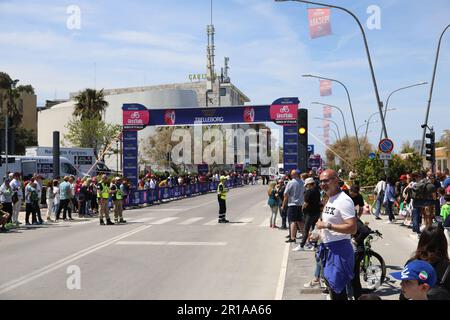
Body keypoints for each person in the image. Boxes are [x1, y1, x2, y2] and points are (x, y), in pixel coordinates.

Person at [315, 169, 357, 300]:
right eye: (321, 181)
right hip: (329, 249)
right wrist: (319, 232)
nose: (322, 184)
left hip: (339, 250)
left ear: (336, 180)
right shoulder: (330, 198)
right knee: (334, 290)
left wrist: (326, 226)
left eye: (326, 180)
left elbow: (352, 228)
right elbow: (328, 221)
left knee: (338, 292)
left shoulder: (344, 200)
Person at [399, 225, 450, 300]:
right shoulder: (447, 267)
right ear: (443, 244)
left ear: (421, 241)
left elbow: (404, 292)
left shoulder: (411, 263)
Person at [294, 177, 321, 251]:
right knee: (314, 229)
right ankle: (314, 245)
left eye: (306, 185)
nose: (306, 187)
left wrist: (302, 209)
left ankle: (301, 246)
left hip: (309, 213)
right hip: (317, 212)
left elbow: (305, 203)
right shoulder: (317, 191)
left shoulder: (308, 192)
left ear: (309, 184)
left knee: (306, 230)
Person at [281, 169, 304, 244]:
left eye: (291, 174)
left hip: (292, 204)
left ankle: (293, 237)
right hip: (300, 204)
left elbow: (286, 195)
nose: (291, 175)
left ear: (294, 175)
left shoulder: (290, 183)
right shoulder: (303, 182)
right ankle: (305, 235)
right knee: (300, 221)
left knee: (292, 221)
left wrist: (283, 205)